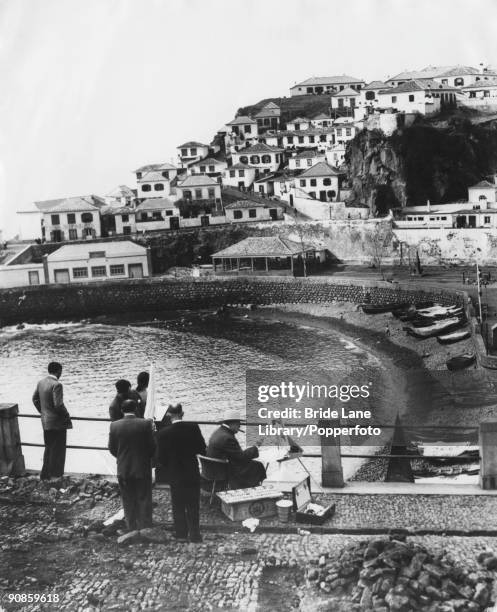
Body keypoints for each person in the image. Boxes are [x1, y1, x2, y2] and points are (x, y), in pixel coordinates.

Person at [156, 404, 206, 543]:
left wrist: (169, 466)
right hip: (191, 471)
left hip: (175, 473)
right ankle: (195, 534)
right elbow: (202, 449)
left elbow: (161, 458)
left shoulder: (163, 433)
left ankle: (181, 533)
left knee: (178, 503)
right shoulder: (193, 427)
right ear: (182, 413)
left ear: (168, 415)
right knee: (193, 504)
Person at [108, 399, 156, 532]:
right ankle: (145, 526)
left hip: (123, 467)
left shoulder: (114, 425)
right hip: (142, 467)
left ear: (122, 410)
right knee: (144, 497)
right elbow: (152, 447)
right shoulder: (145, 424)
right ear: (135, 409)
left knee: (127, 498)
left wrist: (122, 458)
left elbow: (112, 448)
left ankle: (131, 526)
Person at [32, 361, 72, 481]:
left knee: (49, 448)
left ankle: (45, 474)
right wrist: (66, 415)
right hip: (57, 423)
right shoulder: (57, 385)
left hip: (45, 422)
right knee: (58, 449)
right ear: (58, 371)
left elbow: (34, 399)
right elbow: (58, 405)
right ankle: (56, 475)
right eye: (61, 371)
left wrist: (43, 412)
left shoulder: (41, 382)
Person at [207, 412, 266, 489]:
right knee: (257, 466)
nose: (240, 426)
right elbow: (241, 458)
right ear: (232, 423)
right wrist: (256, 447)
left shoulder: (219, 431)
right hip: (222, 470)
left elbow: (236, 455)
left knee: (255, 465)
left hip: (215, 467)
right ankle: (250, 491)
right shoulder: (227, 437)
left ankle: (250, 488)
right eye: (238, 423)